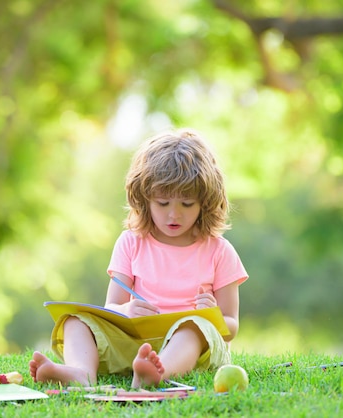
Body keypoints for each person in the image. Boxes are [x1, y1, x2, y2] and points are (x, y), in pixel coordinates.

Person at [29, 128, 248, 388]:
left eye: (186, 204)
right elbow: (111, 307)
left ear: (205, 202)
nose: (174, 215)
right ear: (144, 201)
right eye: (163, 204)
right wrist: (125, 311)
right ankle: (80, 372)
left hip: (194, 350)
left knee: (193, 327)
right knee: (75, 320)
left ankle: (158, 372)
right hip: (136, 345)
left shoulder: (219, 250)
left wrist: (212, 316)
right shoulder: (131, 242)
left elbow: (231, 326)